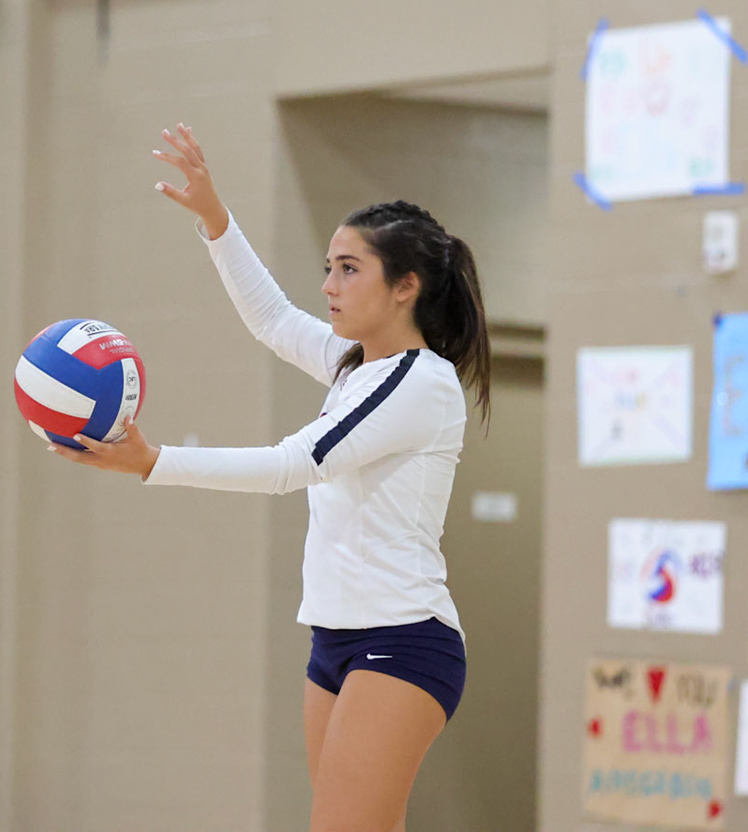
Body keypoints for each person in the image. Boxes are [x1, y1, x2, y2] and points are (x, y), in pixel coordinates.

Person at [55, 124, 490, 832]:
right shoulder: (358, 365)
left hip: (403, 638)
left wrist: (153, 461)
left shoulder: (422, 383)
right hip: (334, 637)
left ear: (405, 286)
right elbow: (272, 319)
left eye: (350, 269)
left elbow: (293, 464)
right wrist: (214, 220)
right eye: (328, 266)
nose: (329, 285)